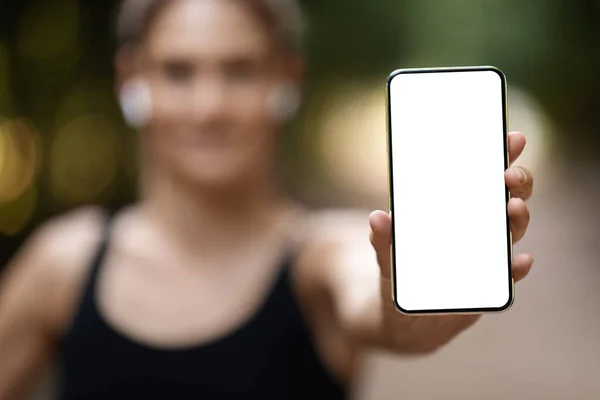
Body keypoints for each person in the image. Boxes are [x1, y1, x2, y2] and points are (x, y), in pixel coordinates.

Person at [0, 0, 535, 399]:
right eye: (178, 71)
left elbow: (381, 308)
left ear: (286, 77)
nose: (209, 106)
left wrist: (419, 309)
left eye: (240, 70)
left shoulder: (322, 255)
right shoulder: (63, 263)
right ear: (130, 79)